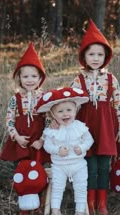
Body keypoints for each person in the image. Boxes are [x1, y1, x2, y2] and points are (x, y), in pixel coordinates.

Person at [70, 19, 120, 215]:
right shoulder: (78, 79)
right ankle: (90, 202)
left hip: (106, 127)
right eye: (91, 54)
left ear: (106, 56)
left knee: (104, 166)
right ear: (84, 56)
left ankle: (102, 204)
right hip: (86, 128)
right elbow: (70, 105)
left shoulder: (111, 79)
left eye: (100, 54)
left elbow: (118, 104)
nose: (96, 58)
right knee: (89, 166)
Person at [0, 42, 49, 215]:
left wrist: (42, 140)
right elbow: (9, 120)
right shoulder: (15, 99)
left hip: (37, 141)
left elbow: (50, 120)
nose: (30, 80)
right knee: (22, 171)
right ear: (19, 78)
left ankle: (39, 204)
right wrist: (16, 137)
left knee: (39, 171)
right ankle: (24, 207)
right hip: (21, 141)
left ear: (40, 78)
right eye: (25, 76)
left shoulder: (44, 97)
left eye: (33, 76)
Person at [36, 87, 94, 215]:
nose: (65, 114)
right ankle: (55, 209)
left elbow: (89, 140)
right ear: (53, 114)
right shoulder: (52, 129)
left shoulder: (79, 126)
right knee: (58, 187)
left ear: (76, 110)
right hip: (59, 165)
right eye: (60, 111)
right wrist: (57, 150)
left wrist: (83, 147)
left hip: (78, 164)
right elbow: (47, 146)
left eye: (69, 110)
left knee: (81, 187)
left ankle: (80, 211)